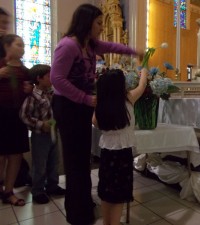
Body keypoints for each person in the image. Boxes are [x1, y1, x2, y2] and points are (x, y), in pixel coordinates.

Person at [50, 4, 141, 225]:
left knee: (82, 160)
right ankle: (77, 213)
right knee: (75, 162)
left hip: (81, 106)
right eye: (99, 23)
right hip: (68, 107)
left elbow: (111, 46)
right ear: (86, 22)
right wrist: (85, 98)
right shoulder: (68, 46)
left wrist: (133, 51)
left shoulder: (89, 45)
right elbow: (56, 79)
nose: (102, 27)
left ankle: (83, 205)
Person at [92, 68, 148, 225]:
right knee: (118, 195)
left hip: (106, 154)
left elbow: (95, 123)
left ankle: (106, 222)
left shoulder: (100, 106)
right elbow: (142, 86)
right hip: (123, 154)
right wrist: (143, 71)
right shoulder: (128, 99)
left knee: (106, 191)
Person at [19, 64, 65, 204]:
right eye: (48, 75)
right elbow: (24, 115)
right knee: (40, 164)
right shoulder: (33, 96)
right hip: (40, 135)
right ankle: (37, 190)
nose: (51, 78)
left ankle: (52, 185)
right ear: (39, 78)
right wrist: (40, 124)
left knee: (53, 160)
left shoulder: (51, 92)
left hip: (52, 132)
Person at [0, 34, 31, 206]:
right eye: (18, 45)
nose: (22, 48)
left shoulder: (24, 70)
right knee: (1, 155)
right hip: (1, 115)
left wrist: (29, 89)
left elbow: (29, 94)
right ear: (7, 46)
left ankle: (8, 191)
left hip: (17, 116)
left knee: (16, 155)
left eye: (23, 45)